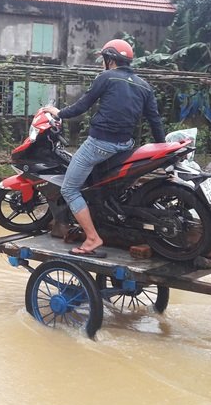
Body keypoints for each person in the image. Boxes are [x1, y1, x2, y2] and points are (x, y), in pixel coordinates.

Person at [43, 39, 165, 258]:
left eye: (104, 60)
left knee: (69, 189)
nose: (102, 64)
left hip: (100, 144)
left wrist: (58, 113)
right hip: (126, 146)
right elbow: (155, 120)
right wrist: (163, 148)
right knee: (99, 182)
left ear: (110, 60)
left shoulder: (106, 77)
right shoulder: (144, 86)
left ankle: (92, 238)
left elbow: (82, 105)